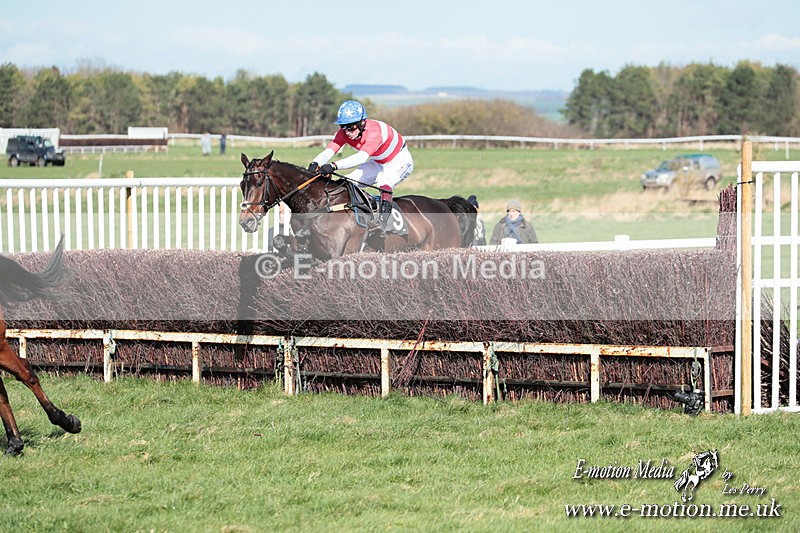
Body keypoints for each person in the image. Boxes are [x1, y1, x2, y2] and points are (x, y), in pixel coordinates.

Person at [308, 100, 413, 236]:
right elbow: (330, 150)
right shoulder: (344, 133)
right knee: (347, 182)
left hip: (400, 160)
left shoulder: (374, 133)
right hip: (377, 161)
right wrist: (315, 163)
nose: (347, 132)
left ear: (362, 123)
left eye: (351, 127)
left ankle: (382, 222)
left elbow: (361, 158)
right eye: (343, 127)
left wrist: (334, 166)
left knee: (384, 181)